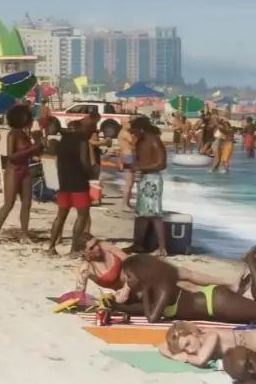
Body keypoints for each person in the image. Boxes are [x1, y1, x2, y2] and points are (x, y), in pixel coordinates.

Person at [114, 250, 256, 324]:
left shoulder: (163, 285)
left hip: (216, 302)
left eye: (129, 277)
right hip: (215, 307)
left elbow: (152, 318)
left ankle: (251, 262)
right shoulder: (154, 288)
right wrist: (115, 306)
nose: (128, 281)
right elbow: (143, 310)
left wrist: (144, 290)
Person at [76, 235, 245, 303]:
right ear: (84, 253)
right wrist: (106, 298)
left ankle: (229, 284)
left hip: (137, 274)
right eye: (91, 248)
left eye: (95, 243)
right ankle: (221, 297)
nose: (97, 248)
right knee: (184, 287)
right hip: (132, 292)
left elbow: (130, 262)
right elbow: (78, 295)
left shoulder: (105, 247)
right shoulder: (86, 269)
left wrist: (127, 286)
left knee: (184, 273)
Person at [0, 105, 43, 244]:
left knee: (27, 203)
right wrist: (32, 149)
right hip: (13, 171)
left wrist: (38, 140)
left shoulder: (25, 134)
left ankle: (24, 234)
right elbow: (12, 156)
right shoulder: (13, 134)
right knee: (9, 203)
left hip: (25, 170)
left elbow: (35, 153)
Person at [46, 118, 93, 255]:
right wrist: (91, 172)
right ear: (81, 128)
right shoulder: (82, 140)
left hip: (63, 182)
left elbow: (53, 157)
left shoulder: (62, 140)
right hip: (79, 182)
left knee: (60, 216)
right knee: (82, 216)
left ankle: (51, 247)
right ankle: (73, 249)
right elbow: (84, 162)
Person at [128, 116, 168, 256]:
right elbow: (140, 160)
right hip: (144, 178)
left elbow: (162, 164)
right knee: (141, 213)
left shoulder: (154, 140)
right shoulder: (141, 141)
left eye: (134, 131)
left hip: (152, 180)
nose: (132, 133)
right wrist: (129, 165)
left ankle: (162, 248)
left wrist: (140, 168)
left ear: (141, 129)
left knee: (154, 214)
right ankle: (138, 245)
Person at [117, 119, 137, 208]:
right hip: (128, 157)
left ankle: (127, 202)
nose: (130, 124)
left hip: (129, 156)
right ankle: (125, 203)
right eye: (129, 122)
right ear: (123, 123)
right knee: (129, 182)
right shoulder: (125, 133)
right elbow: (134, 142)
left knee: (131, 182)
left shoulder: (125, 133)